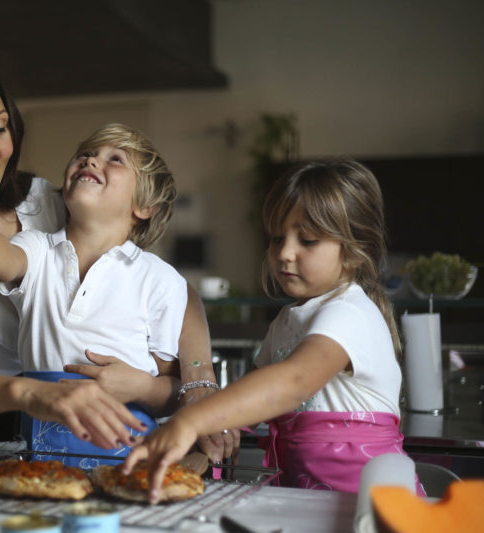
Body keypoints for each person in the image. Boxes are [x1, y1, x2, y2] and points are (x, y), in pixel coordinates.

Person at [0, 58, 236, 465]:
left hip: (45, 423)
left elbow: (176, 294)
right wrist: (27, 392)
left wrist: (200, 382)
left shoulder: (48, 204)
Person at [124, 159, 423, 502]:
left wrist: (189, 421)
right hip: (311, 506)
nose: (285, 252)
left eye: (307, 240)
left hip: (375, 510)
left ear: (356, 252)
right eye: (277, 238)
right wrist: (210, 438)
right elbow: (251, 402)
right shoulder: (286, 321)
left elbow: (291, 383)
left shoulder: (349, 311)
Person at [0, 123, 220, 465]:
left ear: (145, 205)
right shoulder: (37, 249)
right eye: (85, 154)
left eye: (115, 159)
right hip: (40, 453)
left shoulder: (161, 280)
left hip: (130, 459)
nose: (91, 161)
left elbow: (173, 387)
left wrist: (139, 387)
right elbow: (5, 254)